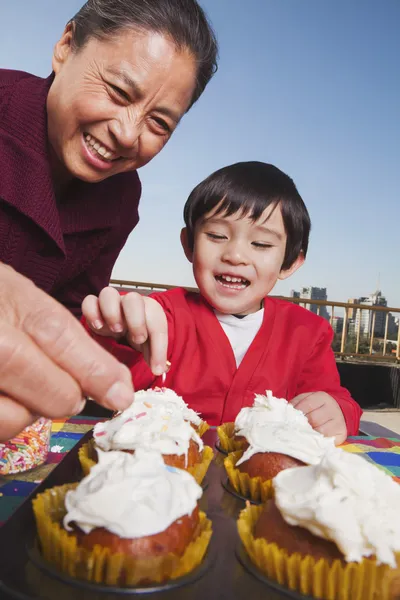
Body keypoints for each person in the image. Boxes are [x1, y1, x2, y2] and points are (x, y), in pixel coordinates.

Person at [0, 0, 218, 440]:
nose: (127, 133)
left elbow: (68, 311)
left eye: (159, 123)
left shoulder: (123, 197)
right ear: (65, 46)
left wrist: (112, 327)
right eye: (118, 92)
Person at [82, 162, 362, 443]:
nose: (235, 255)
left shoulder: (308, 332)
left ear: (289, 263)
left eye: (261, 244)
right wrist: (119, 326)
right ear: (189, 244)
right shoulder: (166, 315)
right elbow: (113, 373)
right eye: (217, 236)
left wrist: (337, 411)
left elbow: (334, 399)